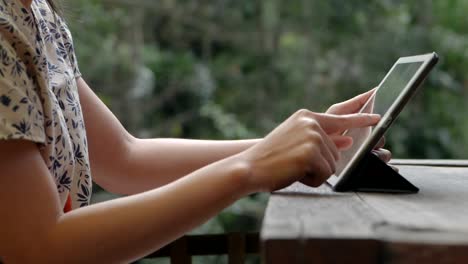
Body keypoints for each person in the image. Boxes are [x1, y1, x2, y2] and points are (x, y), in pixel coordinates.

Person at [0, 0, 390, 262]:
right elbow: (37, 248)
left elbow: (123, 157)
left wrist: (304, 143)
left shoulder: (38, 14)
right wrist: (249, 170)